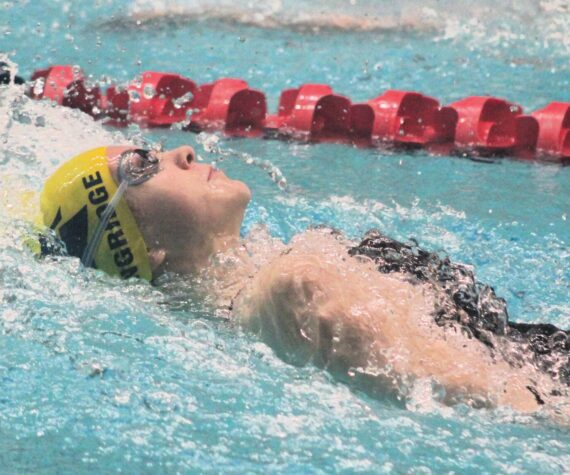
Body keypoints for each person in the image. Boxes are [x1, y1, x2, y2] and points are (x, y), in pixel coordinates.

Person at [40, 145, 569, 414]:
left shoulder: (261, 300)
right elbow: (507, 399)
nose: (182, 152)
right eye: (142, 166)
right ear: (145, 250)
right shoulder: (292, 289)